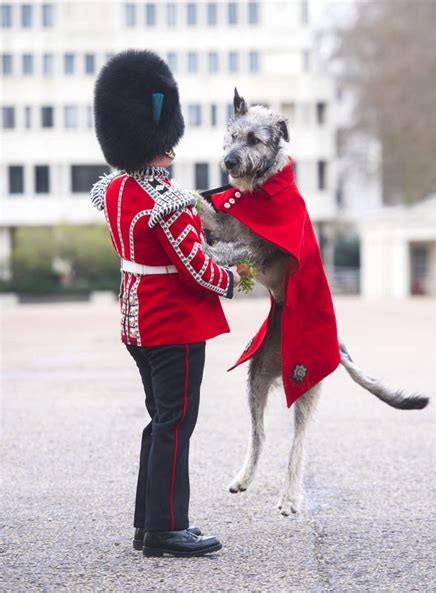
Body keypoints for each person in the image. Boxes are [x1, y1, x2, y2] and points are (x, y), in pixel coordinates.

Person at [91, 49, 239, 558]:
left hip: (136, 321)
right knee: (176, 423)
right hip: (172, 323)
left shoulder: (113, 190)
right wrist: (235, 277)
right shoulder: (166, 201)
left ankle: (148, 522)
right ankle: (167, 528)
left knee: (160, 421)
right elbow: (195, 268)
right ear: (162, 138)